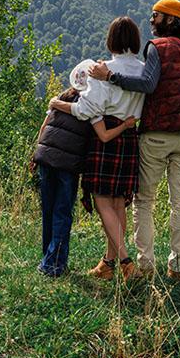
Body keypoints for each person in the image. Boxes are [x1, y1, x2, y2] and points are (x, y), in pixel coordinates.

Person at [89, 0, 180, 279]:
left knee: (145, 201)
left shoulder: (158, 47)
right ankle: (177, 267)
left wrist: (110, 76)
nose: (151, 20)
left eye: (155, 16)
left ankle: (145, 265)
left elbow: (148, 84)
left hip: (155, 134)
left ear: (169, 19)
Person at [48, 17, 145, 280]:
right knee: (118, 204)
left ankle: (125, 261)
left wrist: (58, 104)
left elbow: (84, 110)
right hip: (129, 136)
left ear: (111, 39)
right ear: (135, 41)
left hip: (107, 135)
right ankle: (107, 264)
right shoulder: (144, 70)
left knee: (102, 201)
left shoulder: (103, 70)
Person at [31, 86, 92, 277]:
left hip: (46, 157)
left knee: (48, 210)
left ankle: (48, 258)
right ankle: (54, 264)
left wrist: (35, 154)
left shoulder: (61, 97)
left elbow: (44, 125)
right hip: (68, 164)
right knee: (63, 213)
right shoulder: (91, 102)